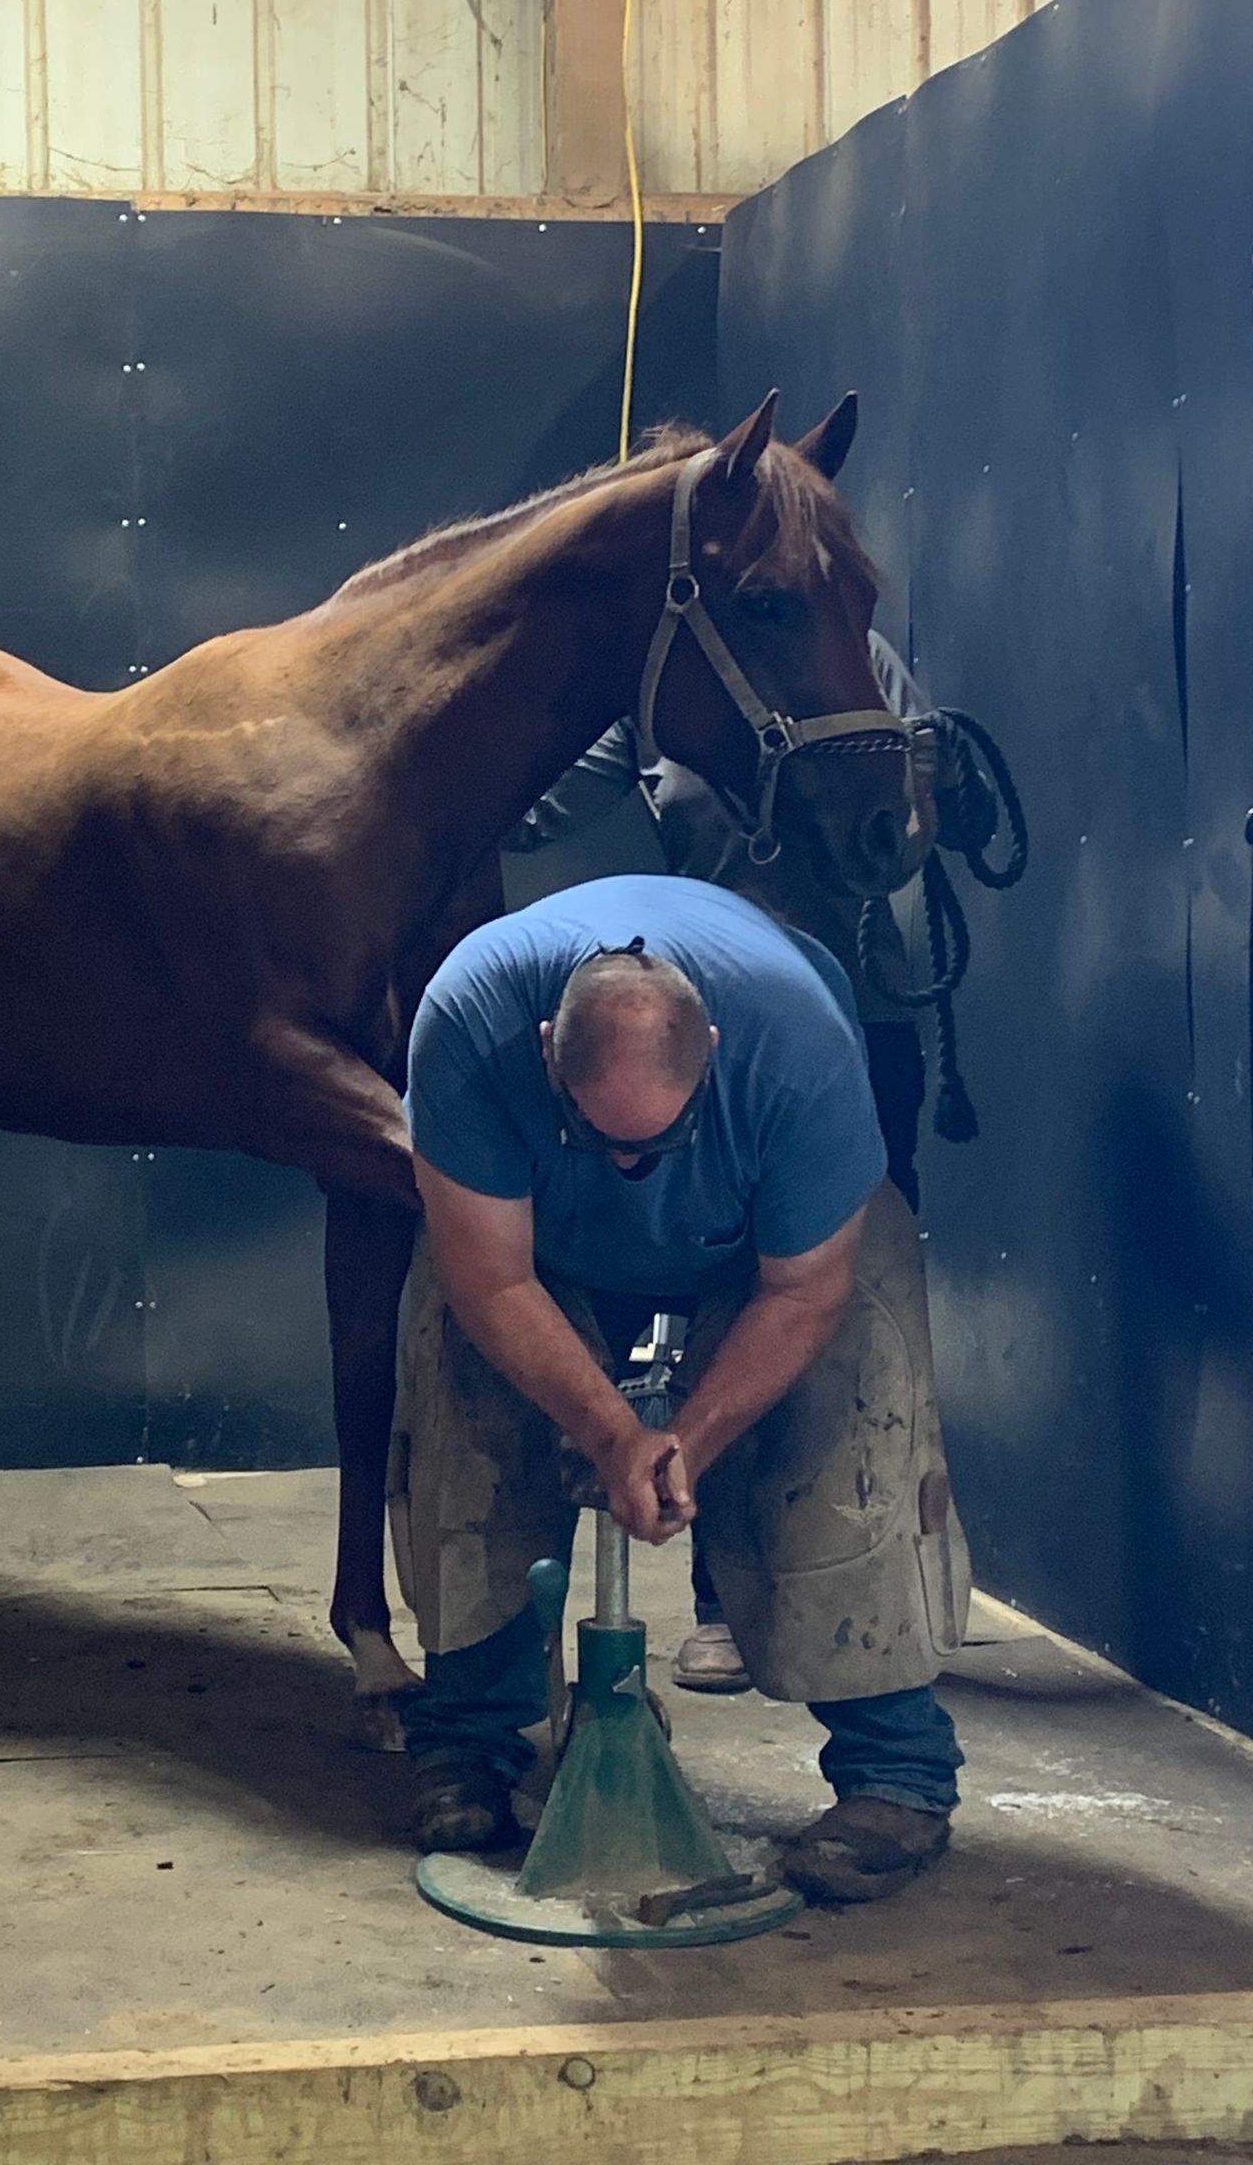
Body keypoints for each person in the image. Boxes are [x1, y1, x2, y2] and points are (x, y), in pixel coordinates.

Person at [391, 876, 971, 1906]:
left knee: (850, 1416)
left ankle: (896, 1775)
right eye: (603, 1135)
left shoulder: (796, 1049)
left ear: (710, 1048)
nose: (629, 1161)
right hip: (536, 1245)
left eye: (654, 1139)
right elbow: (492, 1277)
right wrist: (613, 1431)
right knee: (460, 1381)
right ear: (543, 1052)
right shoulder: (467, 1022)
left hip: (766, 1241)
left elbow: (803, 1289)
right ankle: (465, 1739)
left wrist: (686, 1441)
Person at [506, 630, 994, 1695]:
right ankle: (728, 1597)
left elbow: (900, 838)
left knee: (851, 1309)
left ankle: (876, 1590)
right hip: (705, 1035)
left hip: (847, 1019)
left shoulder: (852, 663)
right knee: (701, 1295)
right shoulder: (655, 693)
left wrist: (918, 780)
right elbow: (530, 802)